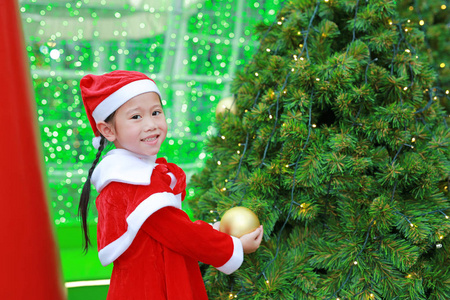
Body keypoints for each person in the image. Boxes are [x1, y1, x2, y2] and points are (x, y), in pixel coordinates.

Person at [78, 70, 263, 299]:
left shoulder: (135, 175)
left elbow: (171, 230)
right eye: (136, 117)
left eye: (156, 113)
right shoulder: (133, 182)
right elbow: (182, 234)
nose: (151, 124)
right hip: (153, 288)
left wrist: (213, 231)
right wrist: (235, 246)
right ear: (107, 130)